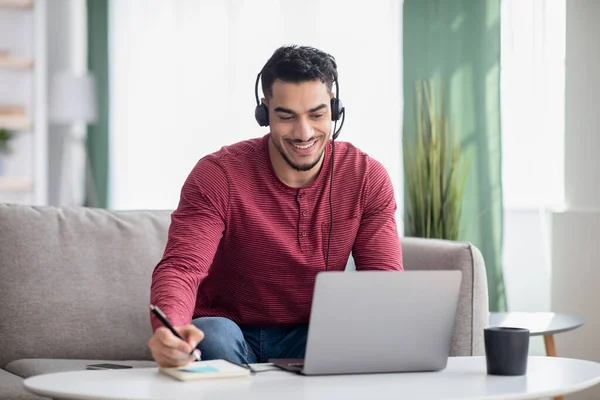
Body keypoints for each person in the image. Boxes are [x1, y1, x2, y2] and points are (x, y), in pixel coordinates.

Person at [148, 45, 403, 368]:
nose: (304, 132)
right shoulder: (217, 175)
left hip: (314, 334)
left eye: (317, 114)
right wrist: (170, 330)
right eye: (286, 117)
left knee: (361, 337)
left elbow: (384, 284)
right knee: (213, 337)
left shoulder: (366, 177)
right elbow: (182, 268)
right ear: (264, 112)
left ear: (335, 108)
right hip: (226, 329)